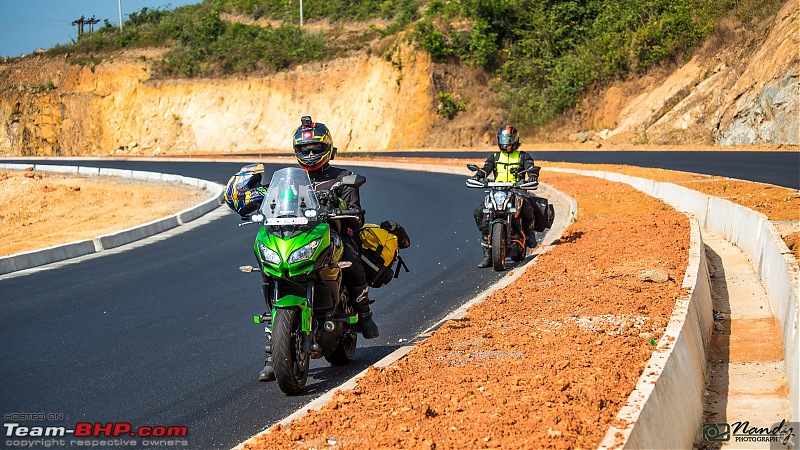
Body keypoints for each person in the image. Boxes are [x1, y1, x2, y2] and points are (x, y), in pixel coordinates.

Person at [225, 116, 380, 382]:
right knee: (268, 267)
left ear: (328, 149)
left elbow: (355, 215)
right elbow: (270, 202)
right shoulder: (287, 181)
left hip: (332, 235)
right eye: (304, 150)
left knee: (352, 259)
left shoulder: (342, 178)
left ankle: (364, 313)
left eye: (315, 149)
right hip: (296, 238)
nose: (310, 154)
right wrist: (251, 200)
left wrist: (339, 207)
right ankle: (273, 356)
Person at [471, 125, 539, 268]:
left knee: (527, 206)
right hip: (497, 190)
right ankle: (488, 255)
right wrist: (478, 175)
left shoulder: (523, 156)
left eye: (509, 139)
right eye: (503, 139)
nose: (506, 142)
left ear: (515, 140)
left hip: (516, 190)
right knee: (480, 213)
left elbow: (531, 167)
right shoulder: (494, 157)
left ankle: (530, 234)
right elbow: (486, 169)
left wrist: (532, 176)